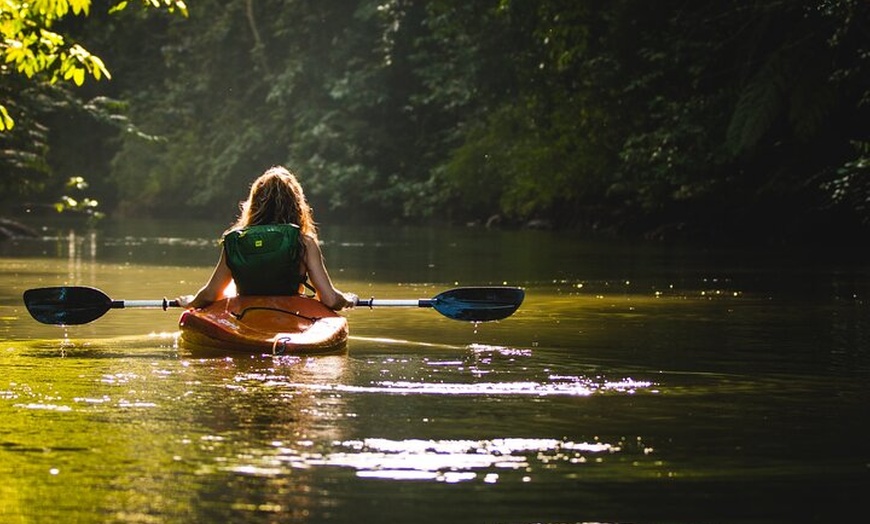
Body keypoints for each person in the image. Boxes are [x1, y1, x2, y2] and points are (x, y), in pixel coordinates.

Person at [176, 166, 357, 310]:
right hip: (290, 316)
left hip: (245, 317)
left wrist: (191, 302)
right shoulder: (304, 243)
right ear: (296, 205)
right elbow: (330, 300)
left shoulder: (237, 241)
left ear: (254, 203)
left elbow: (210, 294)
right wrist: (348, 299)